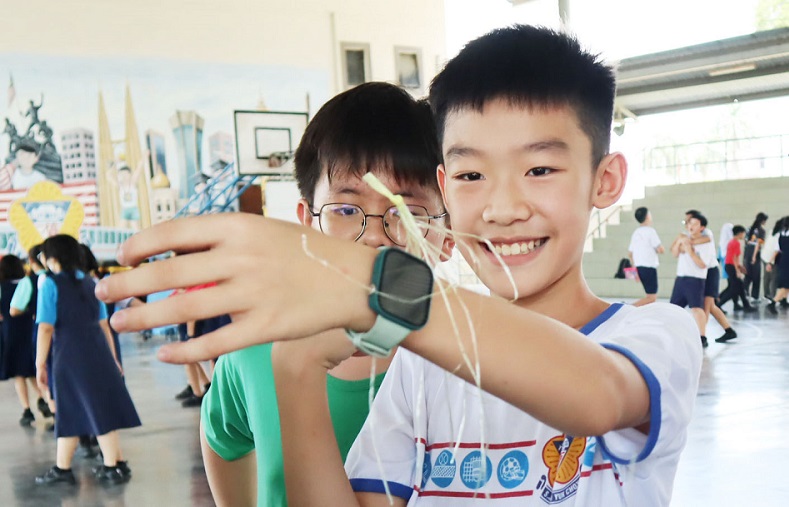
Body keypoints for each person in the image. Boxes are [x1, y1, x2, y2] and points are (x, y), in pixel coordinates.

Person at [98, 26, 702, 507]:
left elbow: (596, 397)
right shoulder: (420, 369)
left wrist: (370, 288)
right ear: (447, 187)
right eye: (471, 174)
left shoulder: (656, 333)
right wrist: (295, 368)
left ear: (605, 180)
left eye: (539, 169)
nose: (502, 208)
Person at [199, 82, 451, 506]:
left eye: (406, 212)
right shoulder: (254, 350)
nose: (374, 236)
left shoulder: (474, 366)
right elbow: (223, 439)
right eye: (346, 210)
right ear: (307, 222)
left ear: (448, 232)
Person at [34, 235, 141, 486]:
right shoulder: (91, 282)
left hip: (70, 355)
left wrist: (40, 364)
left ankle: (112, 466)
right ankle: (67, 467)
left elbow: (46, 328)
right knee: (78, 408)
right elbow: (104, 325)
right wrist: (113, 358)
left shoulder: (50, 284)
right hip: (98, 351)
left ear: (52, 258)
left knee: (84, 407)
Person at [8, 244, 54, 422]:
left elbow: (14, 309)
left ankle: (41, 406)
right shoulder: (59, 278)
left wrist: (32, 310)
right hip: (61, 334)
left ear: (31, 260)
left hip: (32, 331)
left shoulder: (29, 282)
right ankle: (49, 403)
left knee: (35, 369)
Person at [0, 254, 46, 426]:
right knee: (31, 368)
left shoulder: (2, 287)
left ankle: (27, 409)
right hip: (30, 330)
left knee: (18, 373)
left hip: (10, 333)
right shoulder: (31, 282)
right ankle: (42, 398)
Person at [627, 206, 664, 306]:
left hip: (639, 268)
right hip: (649, 267)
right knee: (652, 298)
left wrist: (634, 271)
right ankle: (628, 308)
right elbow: (660, 249)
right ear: (647, 216)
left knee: (649, 296)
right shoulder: (651, 231)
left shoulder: (636, 232)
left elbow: (630, 253)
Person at [718, 226, 755, 313]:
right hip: (731, 267)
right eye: (743, 233)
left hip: (730, 266)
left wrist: (740, 267)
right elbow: (734, 257)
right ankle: (718, 305)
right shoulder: (735, 243)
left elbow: (734, 257)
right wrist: (737, 270)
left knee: (740, 286)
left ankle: (746, 305)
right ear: (740, 233)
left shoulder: (732, 242)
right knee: (734, 289)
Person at [743, 212, 768, 302]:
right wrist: (754, 256)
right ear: (763, 220)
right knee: (756, 275)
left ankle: (744, 293)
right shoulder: (761, 230)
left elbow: (746, 241)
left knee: (747, 274)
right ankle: (755, 296)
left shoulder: (749, 228)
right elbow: (758, 244)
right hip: (755, 253)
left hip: (747, 252)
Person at [766, 217, 789, 314]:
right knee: (786, 284)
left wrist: (770, 262)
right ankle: (773, 303)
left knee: (786, 284)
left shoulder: (780, 234)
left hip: (783, 260)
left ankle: (782, 300)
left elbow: (777, 250)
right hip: (787, 261)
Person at [761, 217, 783, 304]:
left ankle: (766, 295)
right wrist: (770, 262)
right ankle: (773, 298)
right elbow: (776, 250)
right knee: (774, 278)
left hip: (765, 256)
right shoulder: (780, 235)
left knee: (767, 277)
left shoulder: (771, 231)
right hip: (772, 258)